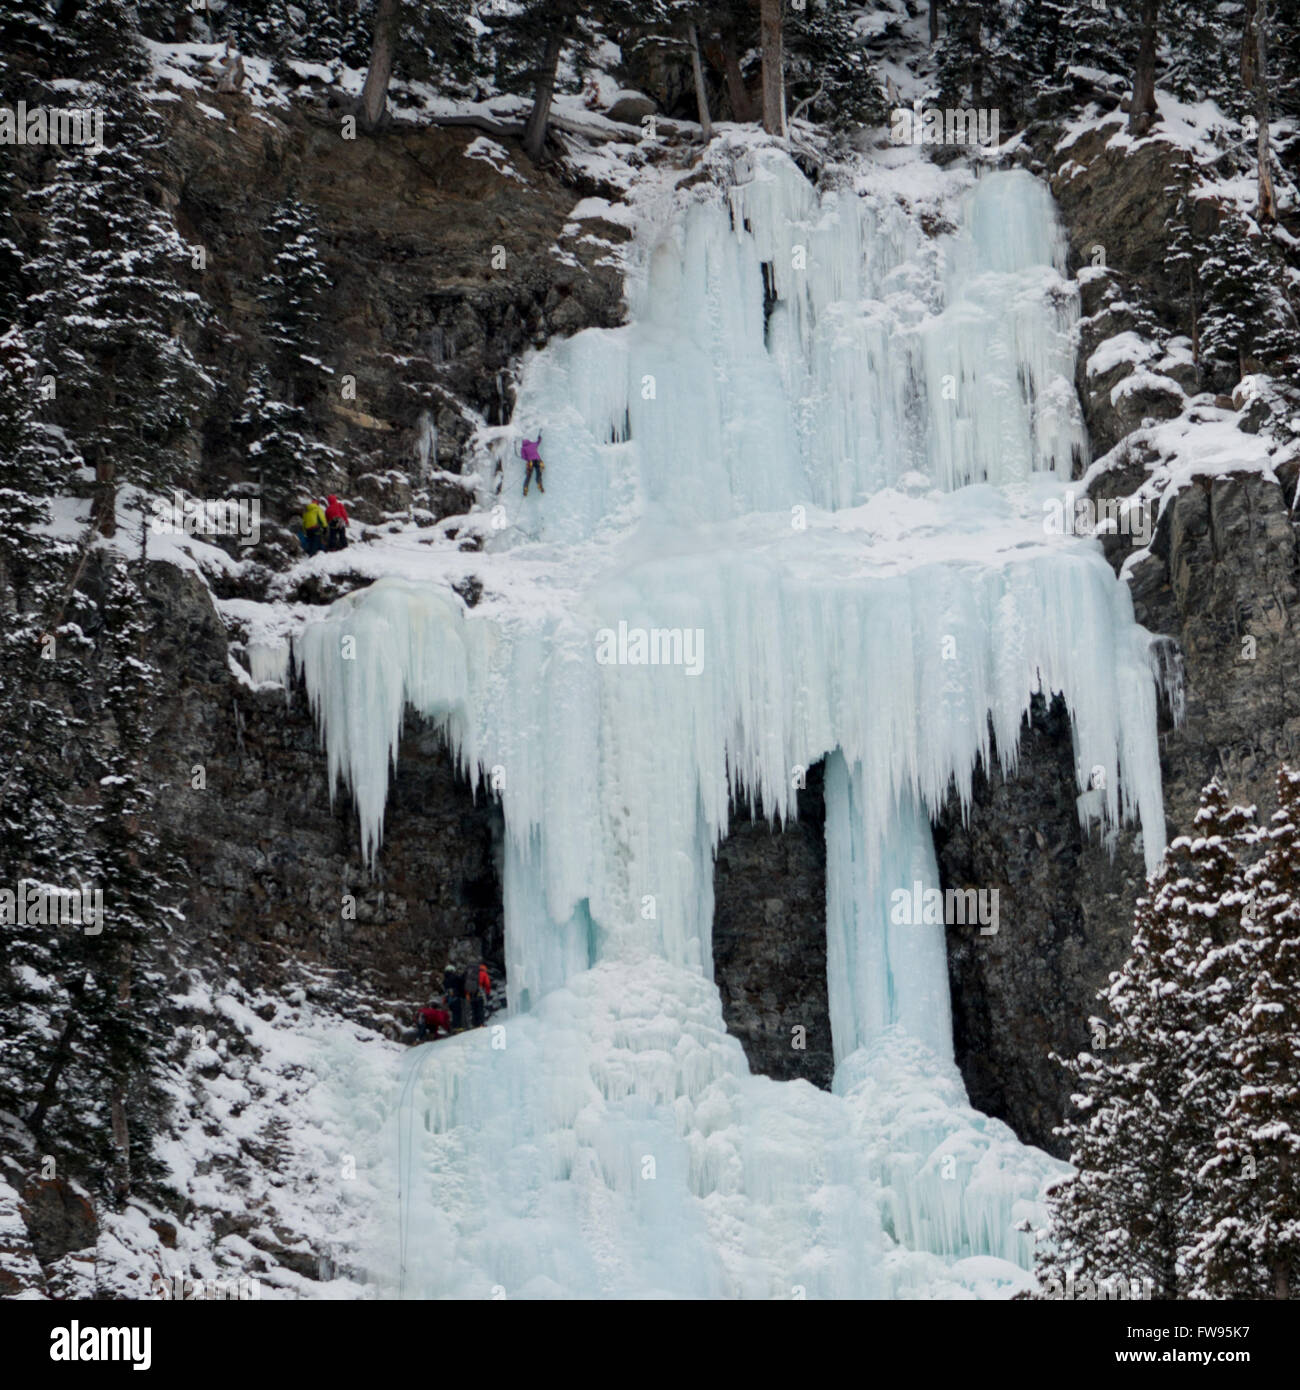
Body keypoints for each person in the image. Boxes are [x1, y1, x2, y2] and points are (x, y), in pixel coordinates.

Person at [446, 967, 465, 1031]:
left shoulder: (445, 979)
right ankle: (458, 1027)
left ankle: (454, 1027)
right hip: (456, 996)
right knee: (458, 1012)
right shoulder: (455, 977)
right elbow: (461, 984)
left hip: (449, 999)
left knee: (454, 1013)